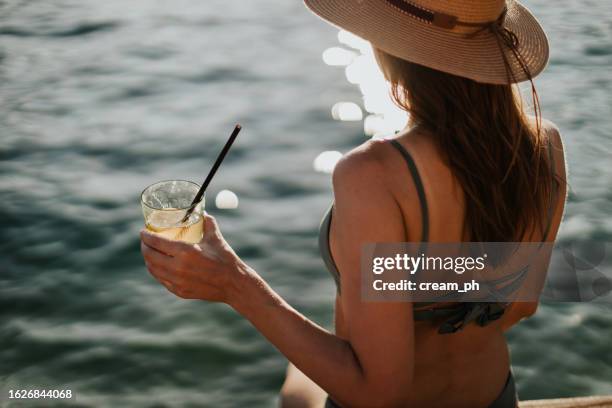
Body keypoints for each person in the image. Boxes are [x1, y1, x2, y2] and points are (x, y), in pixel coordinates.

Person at [140, 0, 567, 406]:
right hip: (494, 397)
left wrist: (234, 282)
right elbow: (520, 304)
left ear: (389, 48)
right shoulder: (541, 145)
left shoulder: (373, 175)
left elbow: (379, 395)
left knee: (295, 388)